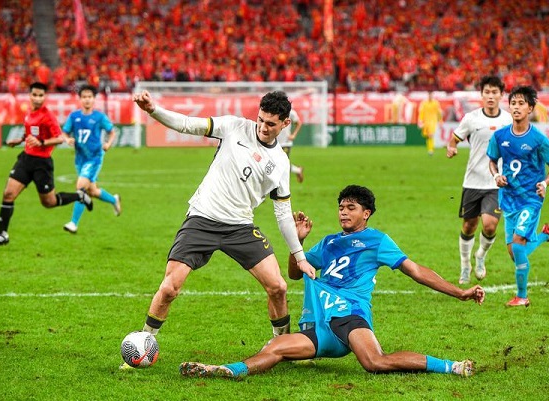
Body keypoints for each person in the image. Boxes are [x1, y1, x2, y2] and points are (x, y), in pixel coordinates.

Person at [179, 185, 485, 379]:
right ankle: (226, 370)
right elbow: (295, 273)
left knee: (375, 362)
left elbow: (416, 271)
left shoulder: (377, 240)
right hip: (320, 323)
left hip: (351, 316)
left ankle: (451, 366)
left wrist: (459, 292)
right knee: (275, 346)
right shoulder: (328, 243)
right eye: (341, 207)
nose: (344, 213)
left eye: (351, 208)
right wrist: (298, 244)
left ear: (366, 213)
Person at [128, 90, 316, 366]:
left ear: (285, 123)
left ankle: (285, 346)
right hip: (202, 219)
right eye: (261, 119)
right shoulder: (233, 126)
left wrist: (299, 256)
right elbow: (187, 124)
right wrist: (152, 109)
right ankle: (143, 344)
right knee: (169, 288)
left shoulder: (281, 163)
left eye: (271, 124)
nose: (263, 127)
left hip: (240, 227)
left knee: (278, 287)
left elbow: (283, 213)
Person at [0, 82, 93, 247]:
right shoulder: (29, 112)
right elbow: (30, 132)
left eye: (41, 95)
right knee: (8, 194)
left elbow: (59, 138)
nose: (37, 98)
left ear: (45, 97)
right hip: (26, 159)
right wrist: (19, 140)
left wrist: (41, 142)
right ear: (30, 95)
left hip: (42, 164)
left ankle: (80, 196)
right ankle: (2, 234)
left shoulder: (48, 116)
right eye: (34, 95)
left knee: (49, 202)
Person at [487, 86, 549, 307]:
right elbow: (492, 161)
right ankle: (546, 235)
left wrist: (544, 183)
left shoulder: (538, 139)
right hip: (509, 199)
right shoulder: (500, 136)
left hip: (531, 198)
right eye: (513, 103)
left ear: (530, 108)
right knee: (514, 252)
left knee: (519, 246)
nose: (516, 107)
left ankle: (522, 296)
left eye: (521, 103)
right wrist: (496, 175)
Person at [446, 76, 513, 284]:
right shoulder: (471, 118)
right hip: (472, 182)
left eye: (495, 92)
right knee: (469, 226)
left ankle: (481, 256)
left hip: (497, 182)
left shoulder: (508, 120)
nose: (491, 96)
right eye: (487, 92)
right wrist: (452, 147)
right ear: (481, 95)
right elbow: (454, 138)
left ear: (501, 95)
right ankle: (465, 265)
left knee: (490, 225)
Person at [61, 84, 121, 234]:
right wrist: (67, 139)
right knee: (92, 191)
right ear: (80, 99)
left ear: (94, 99)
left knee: (80, 187)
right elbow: (65, 132)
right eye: (84, 97)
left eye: (89, 97)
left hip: (94, 158)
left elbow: (112, 132)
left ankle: (73, 223)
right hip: (80, 158)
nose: (87, 100)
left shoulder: (99, 117)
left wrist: (108, 143)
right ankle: (114, 200)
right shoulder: (74, 117)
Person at [277, 108, 304, 183]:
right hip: (274, 142)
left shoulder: (291, 112)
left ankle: (280, 185)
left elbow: (298, 123)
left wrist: (293, 135)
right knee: (277, 163)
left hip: (285, 143)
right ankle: (298, 170)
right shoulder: (273, 110)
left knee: (282, 164)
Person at [418, 91, 443, 156]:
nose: (430, 96)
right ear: (428, 95)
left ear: (432, 95)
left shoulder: (436, 103)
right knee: (427, 136)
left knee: (430, 135)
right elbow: (421, 112)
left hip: (433, 121)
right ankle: (430, 148)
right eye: (429, 95)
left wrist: (440, 121)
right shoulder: (424, 103)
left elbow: (439, 113)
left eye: (431, 95)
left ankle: (431, 150)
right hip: (426, 121)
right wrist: (420, 121)